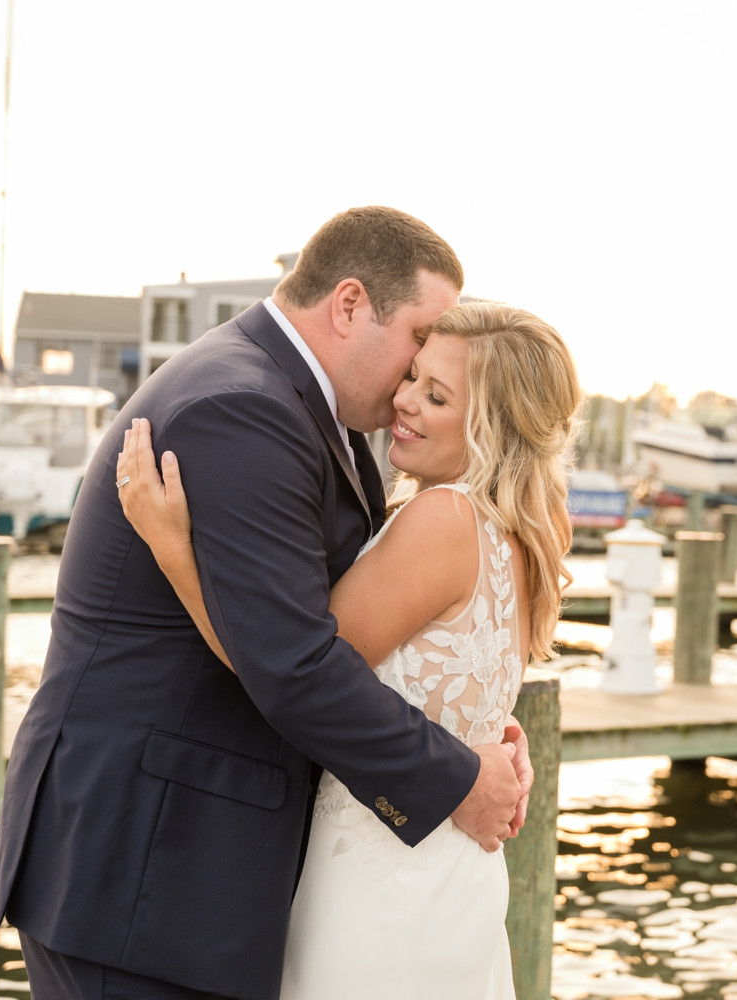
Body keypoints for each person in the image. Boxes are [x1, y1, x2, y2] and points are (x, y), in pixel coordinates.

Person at [0, 208, 535, 1000]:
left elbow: (340, 634)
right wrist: (457, 777)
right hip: (147, 870)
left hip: (193, 875)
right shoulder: (241, 408)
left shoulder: (316, 416)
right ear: (349, 305)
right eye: (418, 338)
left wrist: (467, 722)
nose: (419, 368)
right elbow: (296, 661)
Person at [117, 300, 582, 1000]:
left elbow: (289, 671)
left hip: (382, 883)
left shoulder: (444, 518)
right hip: (449, 874)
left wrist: (173, 549)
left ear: (492, 425)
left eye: (436, 395)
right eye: (413, 378)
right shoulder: (514, 534)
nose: (403, 401)